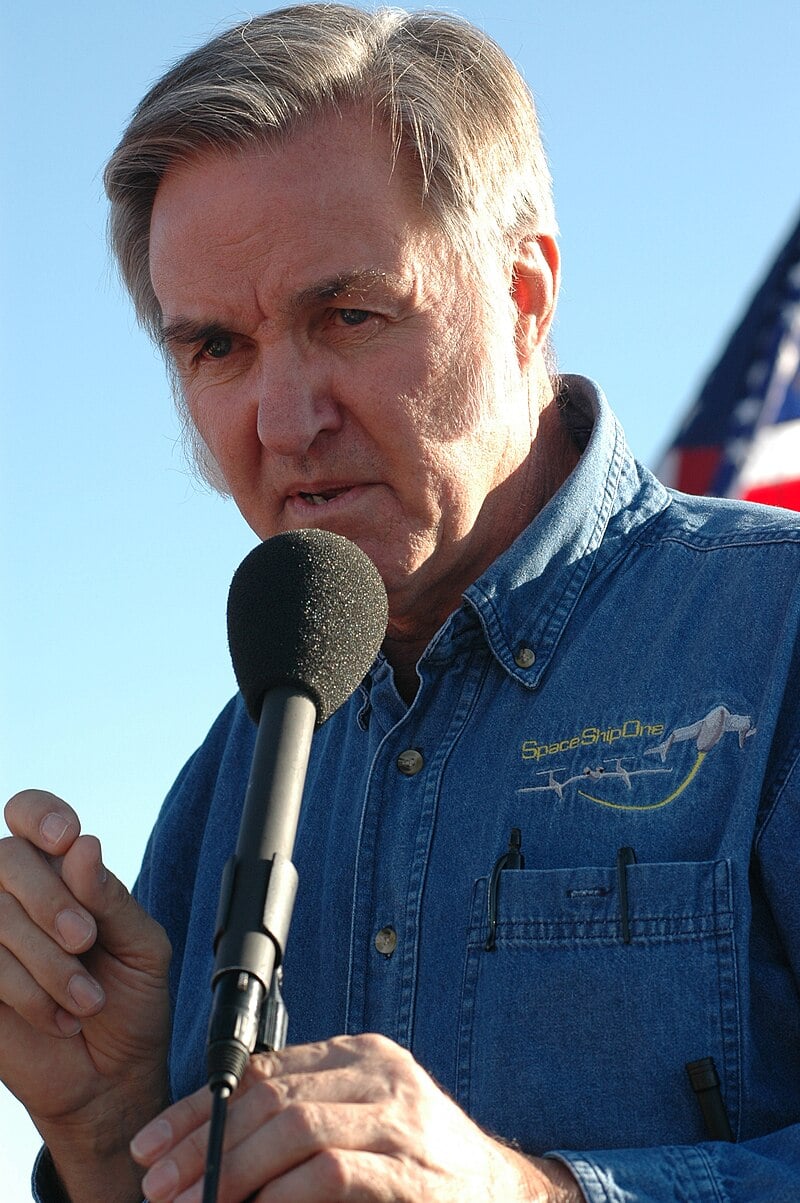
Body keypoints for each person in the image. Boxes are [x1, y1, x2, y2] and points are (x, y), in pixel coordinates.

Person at [2, 5, 800, 1201]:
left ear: (524, 294)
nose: (285, 421)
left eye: (348, 317)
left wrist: (527, 1192)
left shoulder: (774, 632)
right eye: (216, 348)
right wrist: (105, 1124)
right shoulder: (227, 775)